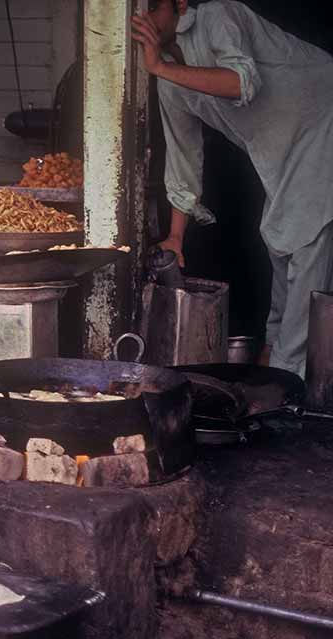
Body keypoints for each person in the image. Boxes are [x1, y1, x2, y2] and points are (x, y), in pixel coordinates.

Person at [132, 0, 333, 376]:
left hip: (324, 113)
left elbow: (243, 81)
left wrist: (159, 65)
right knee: (279, 239)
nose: (143, 20)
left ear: (178, 5)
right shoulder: (170, 83)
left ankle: (291, 376)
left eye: (153, 8)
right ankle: (274, 352)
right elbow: (183, 157)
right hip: (282, 146)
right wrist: (176, 236)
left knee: (307, 241)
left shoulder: (219, 15)